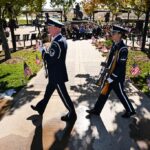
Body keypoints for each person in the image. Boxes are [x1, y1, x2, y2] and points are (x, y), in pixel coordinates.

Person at [31, 18, 77, 122]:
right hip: (55, 73)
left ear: (56, 28)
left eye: (50, 27)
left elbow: (50, 59)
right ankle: (40, 108)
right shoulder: (60, 39)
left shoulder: (57, 42)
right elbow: (55, 55)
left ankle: (72, 114)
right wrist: (46, 50)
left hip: (57, 75)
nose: (48, 29)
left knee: (64, 96)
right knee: (47, 93)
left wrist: (42, 50)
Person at [87, 25, 136, 118]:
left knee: (121, 94)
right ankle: (96, 110)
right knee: (104, 92)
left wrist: (112, 77)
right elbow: (111, 59)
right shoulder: (115, 45)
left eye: (114, 33)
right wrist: (106, 67)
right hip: (110, 74)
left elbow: (120, 66)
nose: (111, 34)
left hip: (117, 77)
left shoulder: (123, 48)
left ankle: (130, 110)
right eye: (112, 33)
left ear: (120, 35)